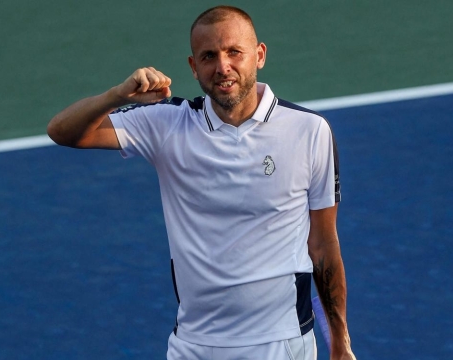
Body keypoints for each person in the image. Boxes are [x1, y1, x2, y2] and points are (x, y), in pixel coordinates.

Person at [47, 5, 355, 360]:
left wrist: (340, 341)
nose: (223, 66)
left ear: (259, 56)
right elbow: (62, 131)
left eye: (234, 52)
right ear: (194, 67)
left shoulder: (309, 131)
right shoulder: (166, 124)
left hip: (282, 344)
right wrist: (117, 95)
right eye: (209, 56)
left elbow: (323, 243)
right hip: (194, 346)